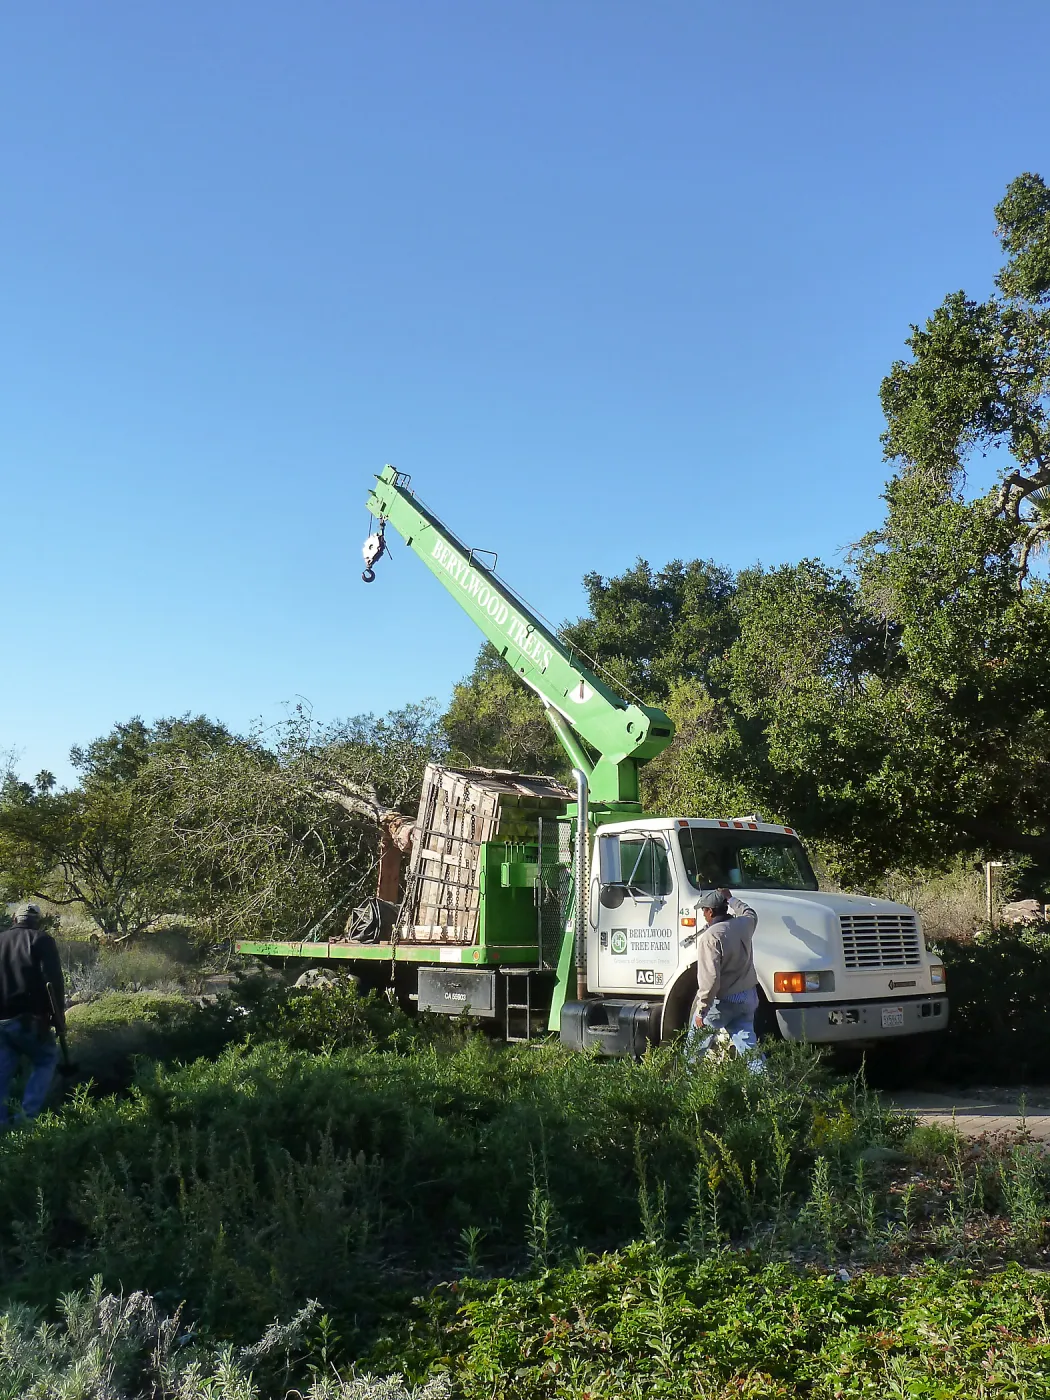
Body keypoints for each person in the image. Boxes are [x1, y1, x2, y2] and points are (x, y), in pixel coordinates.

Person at [684, 887, 765, 1071]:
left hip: (724, 1002)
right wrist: (731, 898)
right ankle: (764, 1088)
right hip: (747, 997)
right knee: (749, 1049)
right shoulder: (744, 924)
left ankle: (686, 1089)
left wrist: (702, 1010)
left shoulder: (711, 937)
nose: (703, 914)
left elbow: (710, 979)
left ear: (710, 911)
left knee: (695, 1048)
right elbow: (750, 912)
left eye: (703, 910)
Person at [0, 904, 66, 1125]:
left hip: (1, 1021)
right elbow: (53, 982)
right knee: (46, 1059)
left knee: (2, 1072)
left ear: (14, 919)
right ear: (37, 920)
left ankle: (2, 1125)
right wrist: (58, 1018)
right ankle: (25, 1119)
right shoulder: (41, 940)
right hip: (30, 1020)